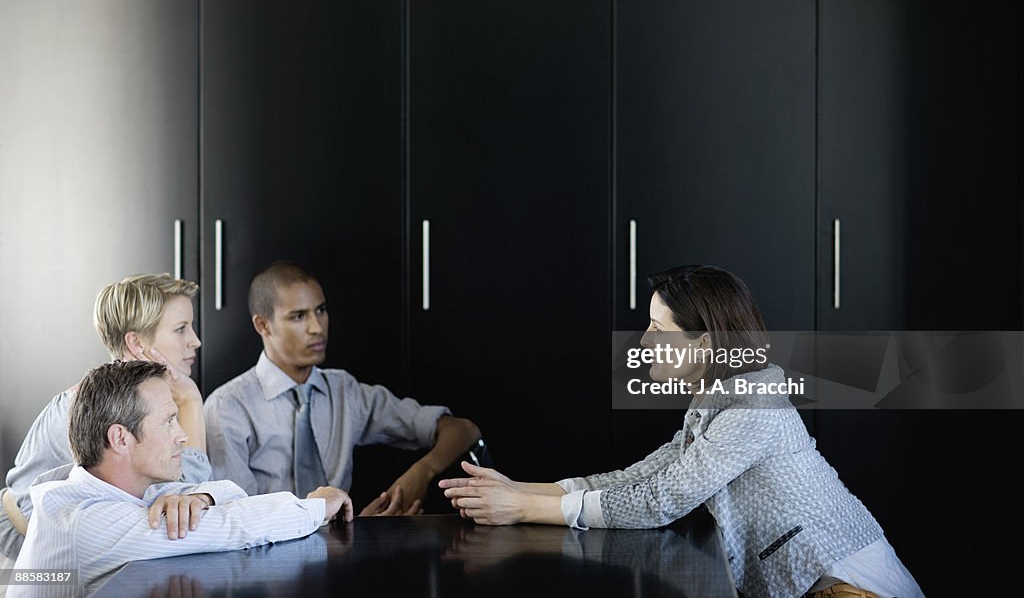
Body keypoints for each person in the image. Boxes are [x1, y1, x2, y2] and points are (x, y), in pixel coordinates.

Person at [440, 265, 923, 598]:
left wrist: (524, 508)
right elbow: (641, 477)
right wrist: (515, 489)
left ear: (705, 342)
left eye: (658, 329)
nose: (645, 342)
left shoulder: (753, 406)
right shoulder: (717, 404)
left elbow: (661, 500)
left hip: (852, 588)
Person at [7, 360, 352, 596]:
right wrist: (317, 505)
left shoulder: (128, 489)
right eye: (168, 421)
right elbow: (234, 526)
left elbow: (231, 492)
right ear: (120, 439)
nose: (182, 436)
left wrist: (201, 499)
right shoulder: (84, 523)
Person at [204, 262, 481, 515]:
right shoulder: (228, 407)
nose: (317, 328)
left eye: (321, 311)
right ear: (263, 325)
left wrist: (423, 471)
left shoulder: (343, 391)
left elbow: (462, 430)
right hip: (263, 564)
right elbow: (236, 520)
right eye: (299, 316)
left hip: (340, 556)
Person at [0, 274, 212, 575]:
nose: (195, 340)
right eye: (180, 329)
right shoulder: (92, 407)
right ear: (136, 343)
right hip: (14, 550)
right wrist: (191, 400)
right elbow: (182, 493)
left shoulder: (151, 400)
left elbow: (192, 495)